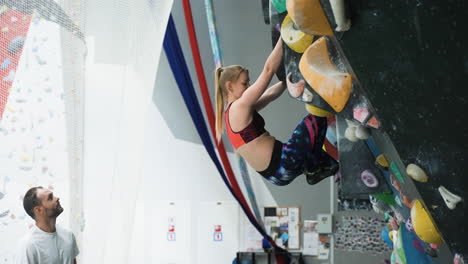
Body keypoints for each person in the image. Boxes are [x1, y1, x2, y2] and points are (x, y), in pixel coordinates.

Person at [214, 38, 338, 186]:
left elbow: (269, 95)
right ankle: (313, 167)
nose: (249, 86)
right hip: (284, 161)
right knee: (315, 118)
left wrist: (286, 82)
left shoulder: (234, 114)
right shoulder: (238, 107)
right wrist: (284, 37)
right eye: (244, 83)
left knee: (312, 140)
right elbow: (268, 71)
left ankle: (314, 168)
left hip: (277, 175)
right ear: (229, 86)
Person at [15, 186, 79, 264]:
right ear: (39, 210)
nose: (57, 198)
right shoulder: (28, 245)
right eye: (50, 198)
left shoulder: (68, 235)